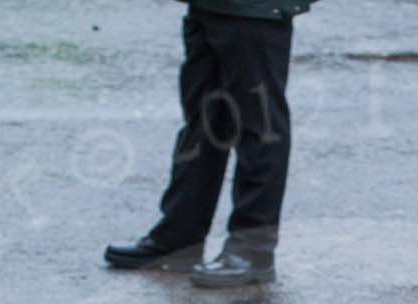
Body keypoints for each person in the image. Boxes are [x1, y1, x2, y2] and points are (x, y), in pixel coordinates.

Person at [103, 0, 309, 289]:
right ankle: (179, 239)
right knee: (204, 120)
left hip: (256, 9)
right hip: (210, 7)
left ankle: (253, 250)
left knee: (259, 125)